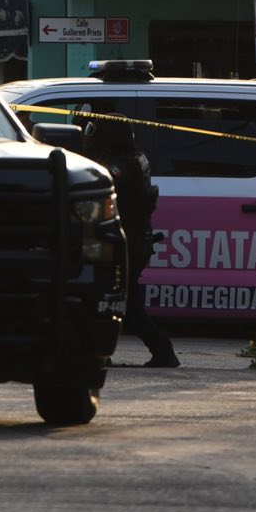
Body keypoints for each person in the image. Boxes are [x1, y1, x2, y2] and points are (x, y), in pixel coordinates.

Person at [82, 113, 179, 369]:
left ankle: (161, 351)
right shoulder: (135, 157)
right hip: (133, 242)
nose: (88, 136)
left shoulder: (118, 167)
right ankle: (105, 352)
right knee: (118, 299)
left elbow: (95, 183)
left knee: (118, 302)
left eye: (93, 130)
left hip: (126, 245)